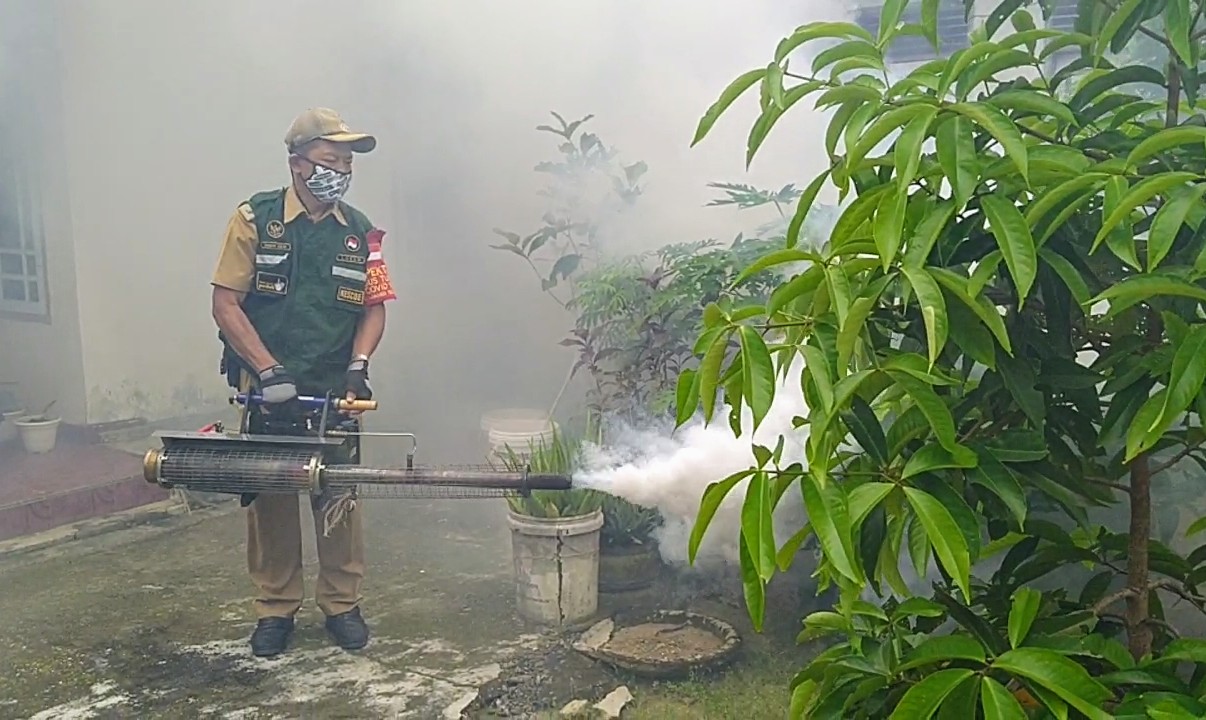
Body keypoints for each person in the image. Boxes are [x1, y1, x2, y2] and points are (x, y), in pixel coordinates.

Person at [209, 107, 397, 658]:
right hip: (269, 389)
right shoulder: (255, 218)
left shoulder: (361, 233)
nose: (338, 171)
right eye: (328, 160)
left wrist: (359, 363)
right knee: (270, 499)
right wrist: (268, 371)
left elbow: (374, 307)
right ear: (297, 163)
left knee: (338, 496)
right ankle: (275, 609)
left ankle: (342, 605)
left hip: (334, 390)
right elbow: (226, 303)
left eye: (346, 163)